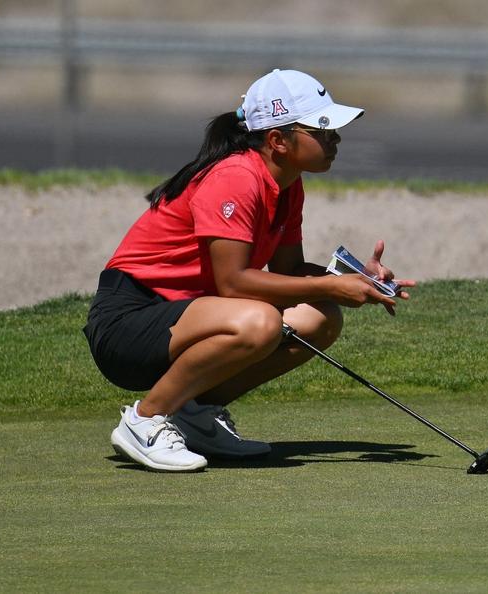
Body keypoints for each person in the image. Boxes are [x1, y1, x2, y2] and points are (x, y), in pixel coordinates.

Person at [83, 69, 414, 472]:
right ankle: (146, 419)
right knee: (260, 321)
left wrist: (356, 280)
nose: (336, 139)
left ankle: (194, 413)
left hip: (186, 316)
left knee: (320, 317)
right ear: (277, 140)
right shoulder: (236, 177)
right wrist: (333, 285)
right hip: (128, 324)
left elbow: (288, 269)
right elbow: (234, 282)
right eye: (322, 130)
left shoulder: (288, 184)